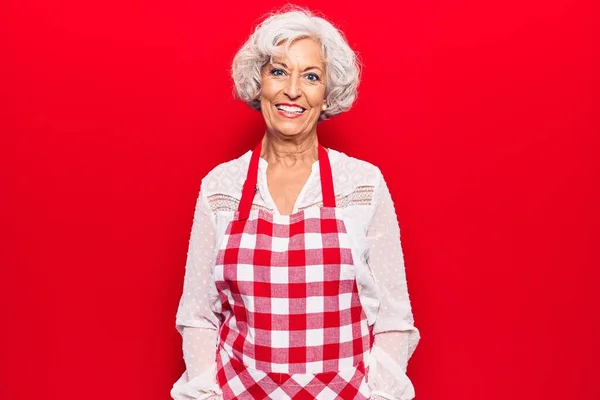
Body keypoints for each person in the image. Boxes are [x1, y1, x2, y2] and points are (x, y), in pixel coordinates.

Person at [171, 6, 420, 400]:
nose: (292, 90)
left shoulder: (363, 184)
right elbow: (198, 315)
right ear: (258, 82)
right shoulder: (221, 187)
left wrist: (379, 394)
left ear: (328, 92)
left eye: (311, 76)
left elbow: (393, 318)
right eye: (278, 71)